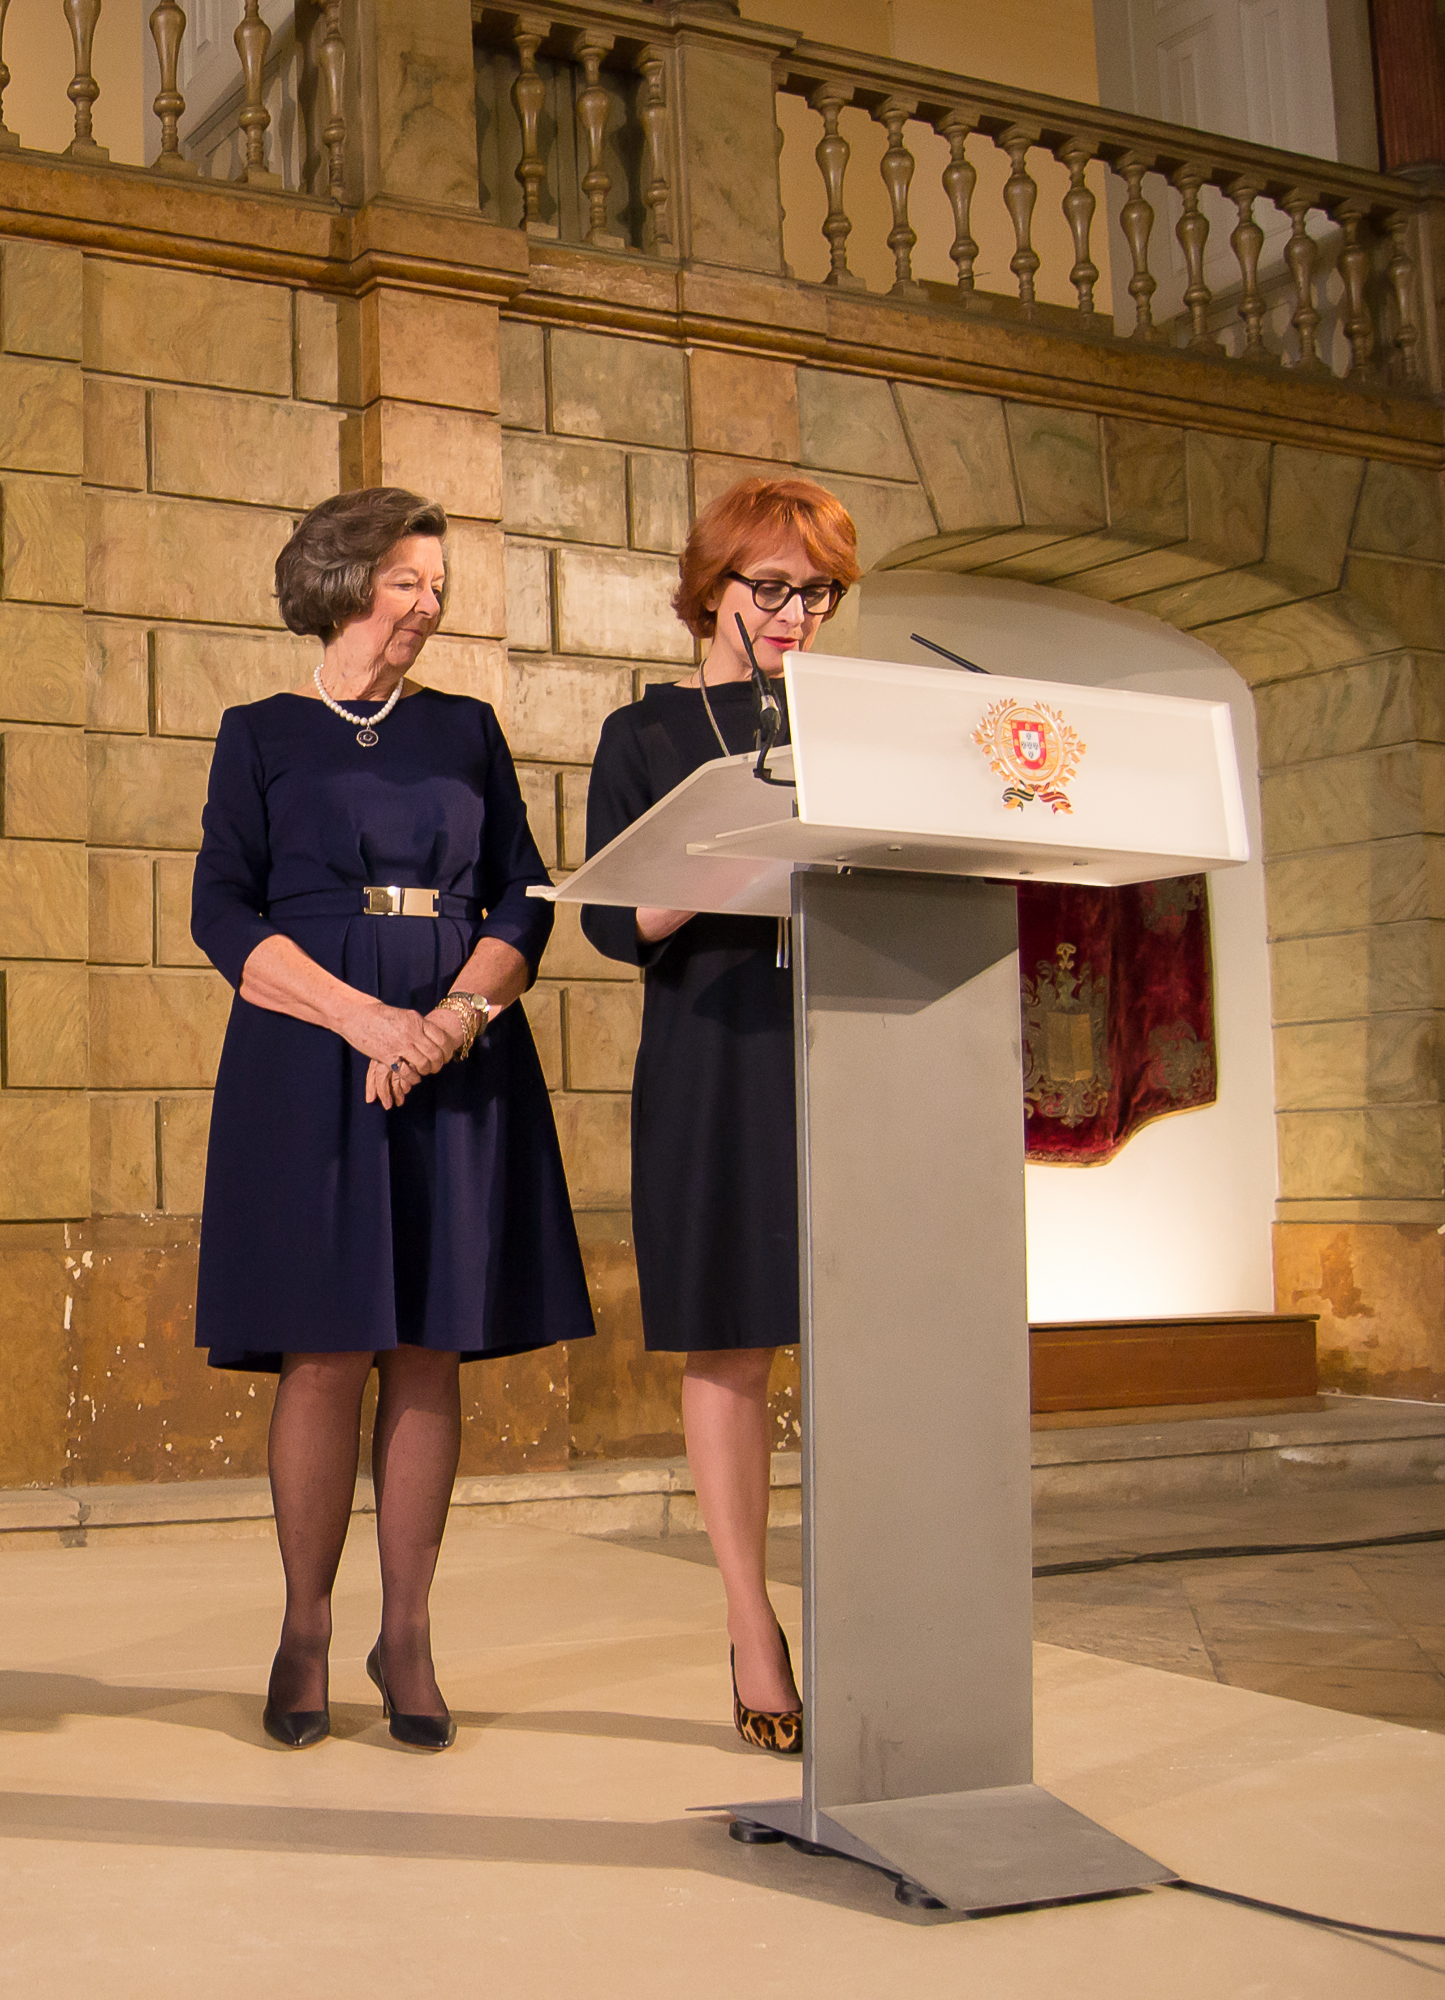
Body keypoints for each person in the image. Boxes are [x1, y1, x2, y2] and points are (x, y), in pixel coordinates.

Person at [190, 486, 596, 1754]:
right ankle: (306, 1624)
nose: (429, 603)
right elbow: (222, 912)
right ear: (342, 577)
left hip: (458, 1058)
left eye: (438, 585)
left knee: (428, 1345)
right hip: (308, 1060)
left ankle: (407, 1630)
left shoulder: (467, 729)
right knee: (325, 1347)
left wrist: (453, 1019)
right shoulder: (259, 733)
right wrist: (367, 1021)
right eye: (408, 579)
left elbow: (526, 896)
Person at [579, 475, 864, 1758]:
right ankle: (753, 1622)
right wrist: (729, 849)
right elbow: (612, 923)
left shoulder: (856, 724)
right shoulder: (646, 731)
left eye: (820, 592)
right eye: (774, 587)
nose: (798, 612)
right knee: (734, 1341)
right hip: (716, 1052)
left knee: (870, 1341)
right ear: (712, 588)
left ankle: (879, 1612)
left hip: (855, 1038)